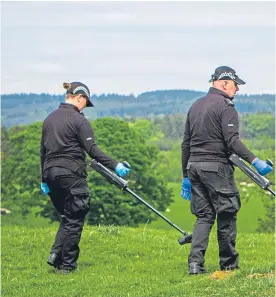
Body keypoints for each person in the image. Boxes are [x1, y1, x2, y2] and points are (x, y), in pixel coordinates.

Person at [181, 66, 273, 275]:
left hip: (194, 166)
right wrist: (255, 161)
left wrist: (185, 175)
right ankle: (229, 265)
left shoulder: (195, 105)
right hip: (216, 167)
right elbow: (231, 140)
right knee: (227, 212)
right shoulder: (226, 107)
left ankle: (195, 264)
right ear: (223, 83)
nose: (237, 89)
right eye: (235, 85)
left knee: (204, 216)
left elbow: (185, 143)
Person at [40, 81, 130, 274]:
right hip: (71, 174)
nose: (84, 108)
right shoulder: (79, 121)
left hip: (50, 174)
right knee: (75, 217)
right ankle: (67, 266)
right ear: (79, 97)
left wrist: (43, 179)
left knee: (68, 215)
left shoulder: (49, 119)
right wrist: (116, 165)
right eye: (85, 103)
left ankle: (55, 255)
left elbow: (43, 151)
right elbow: (92, 150)